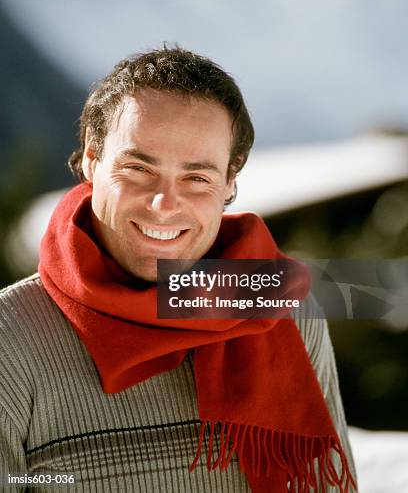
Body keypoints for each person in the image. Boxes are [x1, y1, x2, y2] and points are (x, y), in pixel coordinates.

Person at [0, 47, 357, 492]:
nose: (164, 204)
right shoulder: (9, 339)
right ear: (92, 159)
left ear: (230, 181)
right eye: (137, 168)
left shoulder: (283, 306)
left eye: (196, 177)